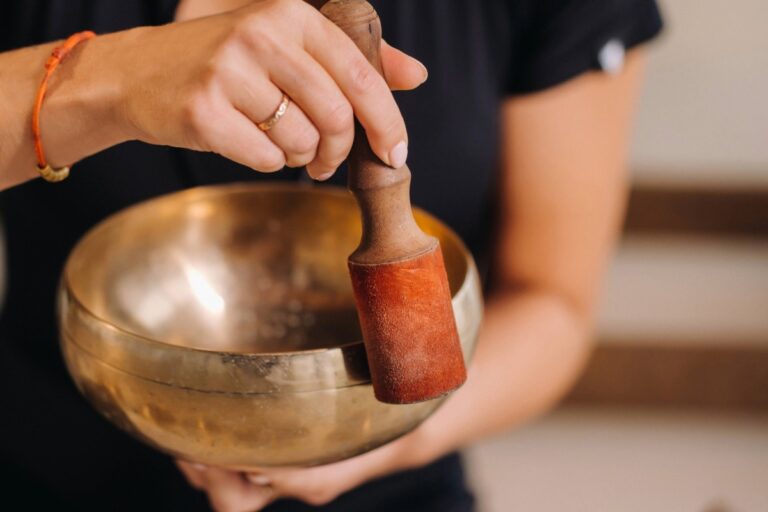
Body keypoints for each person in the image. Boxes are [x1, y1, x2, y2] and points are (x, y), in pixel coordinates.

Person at [0, 0, 662, 510]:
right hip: (53, 470)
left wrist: (390, 439)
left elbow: (553, 301)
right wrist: (108, 78)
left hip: (393, 492)